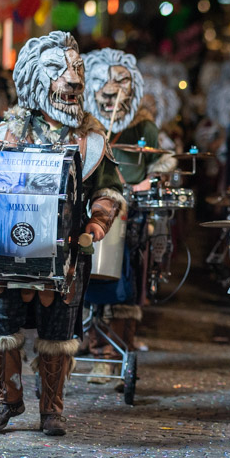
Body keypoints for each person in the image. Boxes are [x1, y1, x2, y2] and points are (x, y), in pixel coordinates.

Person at [0, 32, 124, 437]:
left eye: (76, 70)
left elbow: (110, 190)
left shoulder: (92, 139)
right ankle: (6, 399)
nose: (72, 81)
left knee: (57, 331)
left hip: (67, 254)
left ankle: (51, 409)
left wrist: (96, 224)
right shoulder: (9, 131)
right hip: (10, 249)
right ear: (36, 79)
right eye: (59, 71)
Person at [81, 48, 172, 382]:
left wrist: (145, 184)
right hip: (93, 214)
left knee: (123, 289)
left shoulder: (142, 127)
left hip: (130, 217)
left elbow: (160, 166)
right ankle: (92, 349)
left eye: (119, 85)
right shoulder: (85, 127)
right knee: (87, 285)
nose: (110, 94)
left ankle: (113, 355)